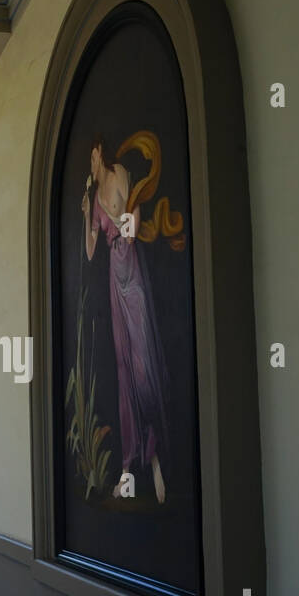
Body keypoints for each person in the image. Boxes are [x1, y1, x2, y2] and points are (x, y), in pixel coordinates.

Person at [82, 132, 184, 505]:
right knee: (124, 364)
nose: (90, 164)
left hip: (130, 266)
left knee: (143, 360)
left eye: (91, 157)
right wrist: (86, 219)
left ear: (99, 150)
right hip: (112, 268)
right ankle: (130, 465)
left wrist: (123, 223)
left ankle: (155, 447)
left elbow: (132, 220)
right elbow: (92, 250)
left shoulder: (120, 173)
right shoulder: (93, 197)